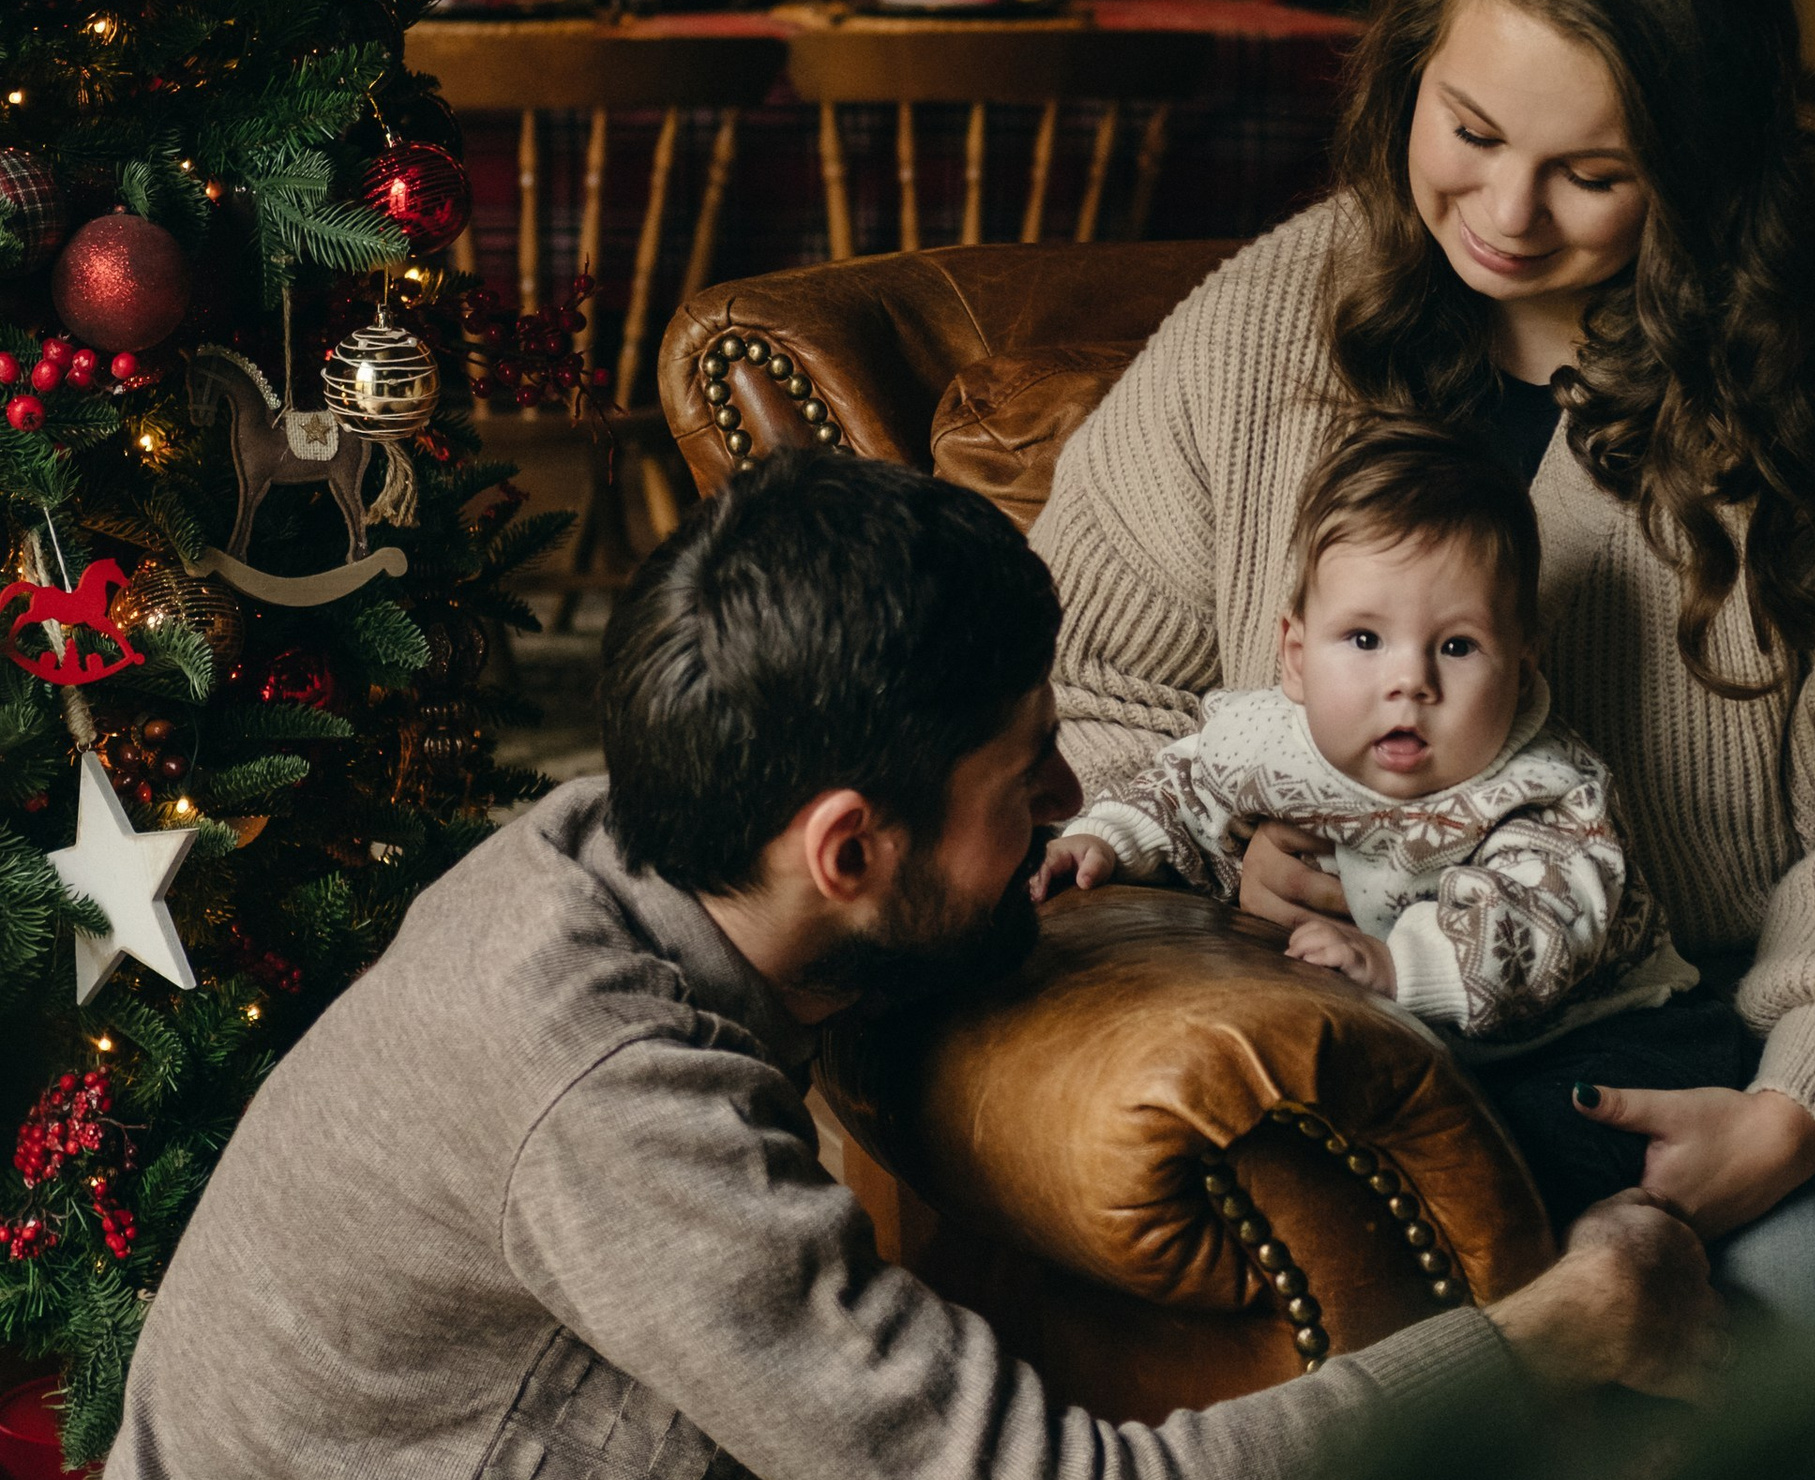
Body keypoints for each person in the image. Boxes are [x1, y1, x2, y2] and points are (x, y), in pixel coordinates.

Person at [1032, 0, 1815, 1480]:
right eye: (1472, 132)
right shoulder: (1278, 312)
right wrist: (1223, 865)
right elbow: (1090, 671)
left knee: (1741, 1439)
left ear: (1702, 172)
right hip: (1460, 1025)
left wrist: (1798, 1112)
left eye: (1594, 173)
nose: (1504, 216)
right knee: (1533, 1421)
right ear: (1410, 80)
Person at [106, 449, 1722, 1480]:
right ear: (849, 853)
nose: (1072, 800)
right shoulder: (611, 1104)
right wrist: (1555, 1334)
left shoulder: (642, 841)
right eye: (1024, 769)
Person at [1036, 417, 1752, 1223]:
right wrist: (1104, 840)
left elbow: (1543, 923)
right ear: (1297, 657)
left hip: (1603, 1028)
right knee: (1334, 1151)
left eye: (1456, 647)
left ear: (1522, 668)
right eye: (1366, 639)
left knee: (1529, 1157)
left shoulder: (1543, 786)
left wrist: (1394, 964)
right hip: (1428, 1046)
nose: (1409, 680)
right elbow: (1183, 786)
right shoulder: (1270, 742)